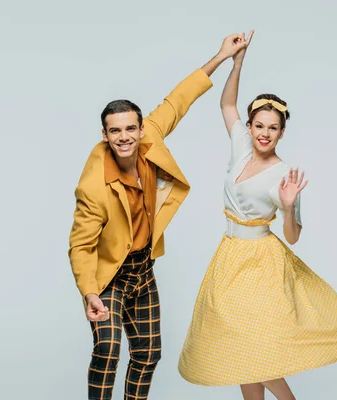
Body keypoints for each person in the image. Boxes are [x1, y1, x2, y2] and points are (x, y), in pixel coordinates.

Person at [178, 31, 337, 400]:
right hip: (229, 256)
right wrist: (237, 61)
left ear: (282, 132)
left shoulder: (285, 174)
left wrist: (290, 205)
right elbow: (227, 104)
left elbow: (292, 237)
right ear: (250, 127)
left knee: (254, 349)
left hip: (262, 262)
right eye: (259, 125)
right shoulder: (241, 146)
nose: (264, 133)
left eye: (273, 128)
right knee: (240, 348)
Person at [68, 33, 250, 400]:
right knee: (107, 351)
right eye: (115, 131)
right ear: (104, 134)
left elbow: (179, 99)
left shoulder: (150, 135)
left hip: (143, 269)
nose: (124, 137)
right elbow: (81, 244)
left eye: (130, 128)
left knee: (149, 354)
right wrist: (89, 292)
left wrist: (221, 56)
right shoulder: (93, 186)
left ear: (139, 128)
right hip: (109, 275)